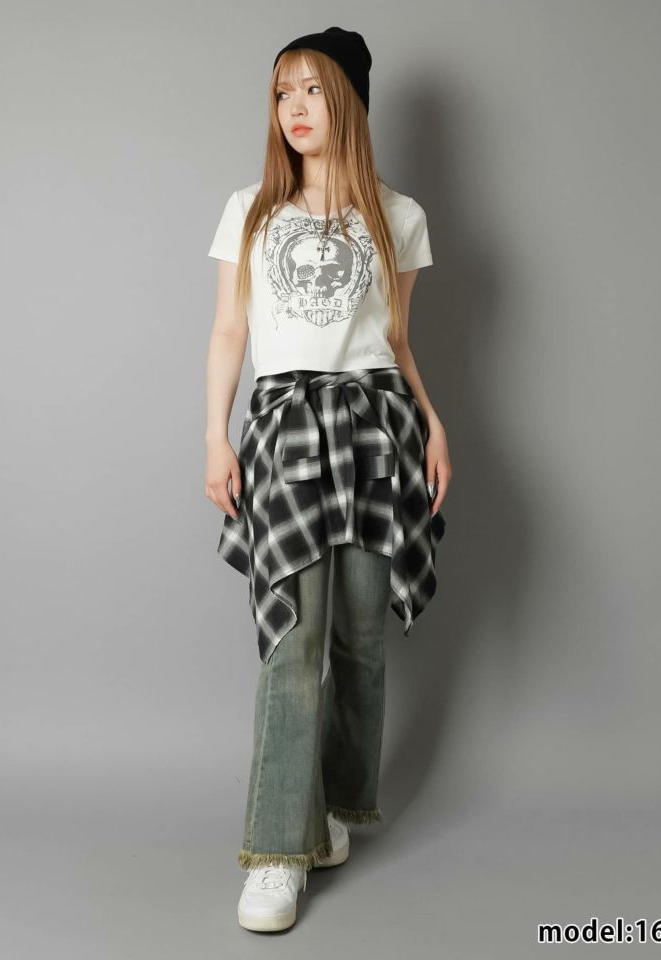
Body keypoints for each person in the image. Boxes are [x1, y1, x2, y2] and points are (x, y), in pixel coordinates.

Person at [203, 25, 452, 933]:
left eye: (313, 89)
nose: (295, 109)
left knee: (359, 634)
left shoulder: (399, 215)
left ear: (349, 98)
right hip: (287, 426)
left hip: (378, 426)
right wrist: (215, 437)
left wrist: (434, 421)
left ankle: (335, 810)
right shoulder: (251, 209)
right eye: (283, 93)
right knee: (293, 639)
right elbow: (230, 333)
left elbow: (396, 341)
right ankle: (278, 851)